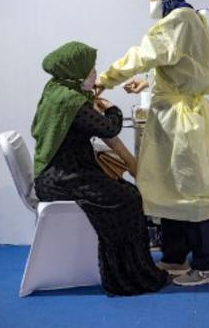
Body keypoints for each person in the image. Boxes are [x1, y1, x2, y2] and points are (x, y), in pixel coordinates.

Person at [94, 0, 209, 286]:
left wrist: (106, 79)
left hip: (181, 121)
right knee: (168, 187)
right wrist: (149, 84)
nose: (150, 2)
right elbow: (178, 64)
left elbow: (145, 53)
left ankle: (207, 265)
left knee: (192, 191)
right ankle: (174, 258)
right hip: (176, 114)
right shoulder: (191, 21)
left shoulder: (180, 20)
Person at [32, 41, 169, 296]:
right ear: (76, 71)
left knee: (125, 192)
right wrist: (111, 108)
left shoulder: (57, 90)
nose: (96, 74)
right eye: (91, 69)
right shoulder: (70, 102)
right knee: (128, 199)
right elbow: (110, 128)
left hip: (57, 173)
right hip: (62, 178)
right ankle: (126, 275)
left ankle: (134, 267)